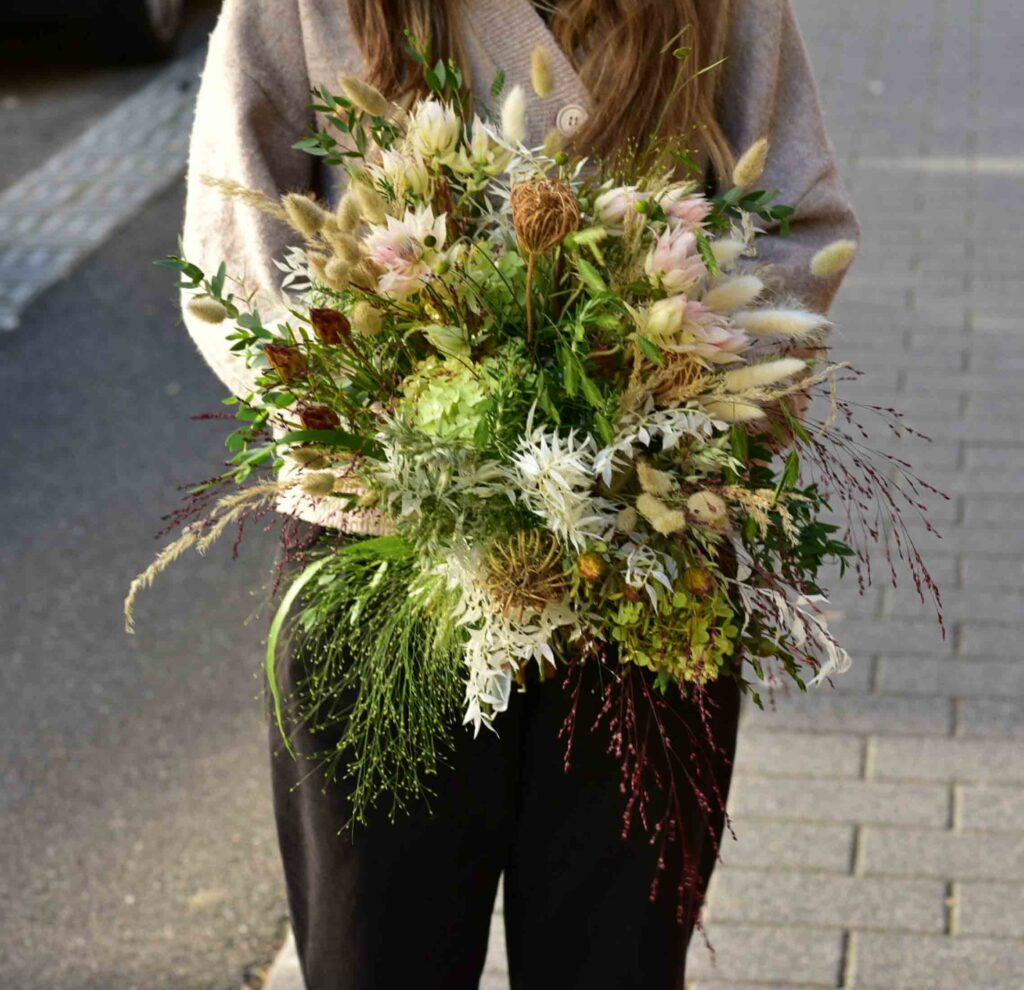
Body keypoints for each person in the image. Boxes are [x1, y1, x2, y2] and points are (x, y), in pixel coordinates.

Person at [180, 2, 858, 987]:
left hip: (640, 565)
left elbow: (800, 222)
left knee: (613, 966)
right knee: (379, 960)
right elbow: (237, 239)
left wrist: (662, 397)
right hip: (386, 555)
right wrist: (400, 417)